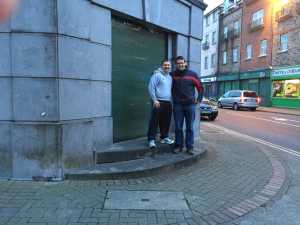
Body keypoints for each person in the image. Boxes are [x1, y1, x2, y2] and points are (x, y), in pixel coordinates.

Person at [171, 56, 203, 155]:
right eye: (178, 63)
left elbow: (200, 88)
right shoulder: (172, 75)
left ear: (185, 63)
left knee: (189, 127)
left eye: (182, 63)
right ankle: (178, 146)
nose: (180, 64)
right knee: (178, 127)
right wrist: (157, 71)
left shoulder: (192, 75)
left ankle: (189, 147)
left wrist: (199, 99)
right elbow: (164, 76)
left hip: (190, 105)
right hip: (178, 105)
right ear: (176, 64)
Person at [147, 59, 174, 149]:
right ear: (162, 66)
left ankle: (164, 137)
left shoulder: (170, 77)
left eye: (168, 65)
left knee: (166, 122)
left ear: (170, 67)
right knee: (154, 122)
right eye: (165, 65)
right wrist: (154, 100)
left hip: (168, 102)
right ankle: (151, 140)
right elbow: (151, 87)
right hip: (158, 102)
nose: (167, 67)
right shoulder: (157, 75)